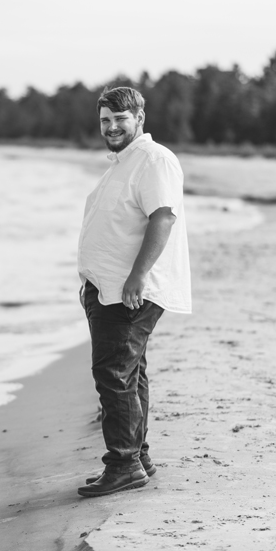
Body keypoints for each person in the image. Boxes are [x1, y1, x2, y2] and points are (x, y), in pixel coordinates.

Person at [76, 87, 191, 498]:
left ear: (140, 118)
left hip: (128, 291)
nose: (111, 127)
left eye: (120, 119)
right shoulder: (125, 162)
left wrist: (137, 277)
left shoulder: (154, 159)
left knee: (114, 374)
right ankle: (137, 458)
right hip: (109, 288)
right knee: (129, 371)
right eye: (105, 120)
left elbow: (163, 218)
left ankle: (124, 464)